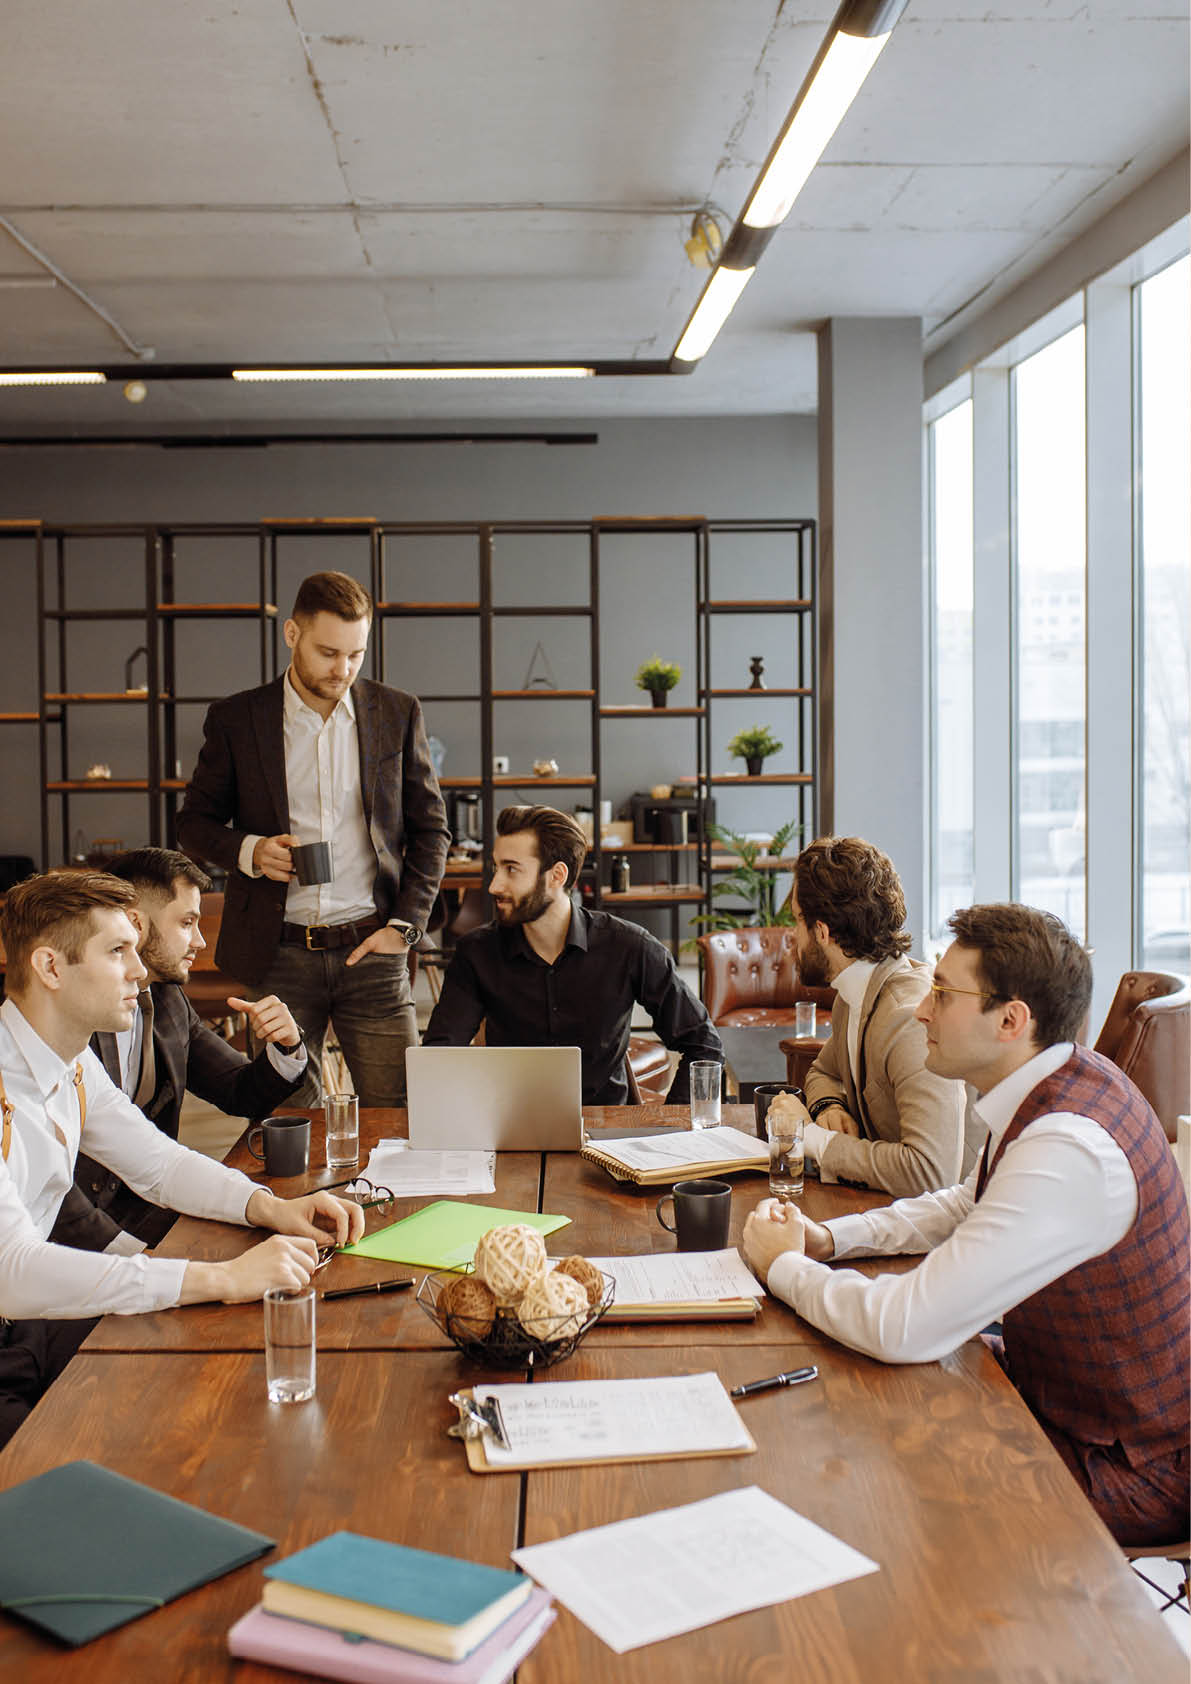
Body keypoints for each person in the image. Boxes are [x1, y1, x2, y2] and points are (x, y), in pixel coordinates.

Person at [743, 903, 1190, 1546]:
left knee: (860, 1470)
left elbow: (904, 1326)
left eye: (943, 993)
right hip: (1062, 1401)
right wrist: (833, 1238)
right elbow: (968, 1202)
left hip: (1126, 1463)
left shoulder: (1066, 1147)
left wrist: (783, 1265)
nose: (923, 1010)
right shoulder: (1058, 1081)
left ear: (1011, 1020)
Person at [0, 870, 364, 1445]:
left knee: (197, 1397)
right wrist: (221, 1277)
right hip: (18, 1318)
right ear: (50, 968)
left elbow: (159, 1164)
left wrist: (272, 1208)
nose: (140, 970)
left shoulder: (69, 1059)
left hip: (28, 1324)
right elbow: (13, 1269)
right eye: (117, 951)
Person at [177, 569, 449, 1106]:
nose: (343, 669)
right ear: (292, 635)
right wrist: (250, 852)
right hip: (276, 955)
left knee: (401, 1120)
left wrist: (407, 927)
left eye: (356, 654)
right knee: (285, 1124)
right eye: (329, 652)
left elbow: (432, 830)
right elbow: (193, 825)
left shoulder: (397, 712)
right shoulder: (236, 720)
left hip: (373, 950)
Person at [67, 847, 308, 1248]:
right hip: (78, 1239)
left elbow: (239, 1091)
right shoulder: (66, 1018)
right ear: (135, 923)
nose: (199, 941)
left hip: (151, 1205)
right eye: (187, 922)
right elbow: (49, 1188)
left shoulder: (166, 1000)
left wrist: (287, 1045)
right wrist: (138, 1259)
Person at [423, 805, 723, 1103]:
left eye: (511, 869)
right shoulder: (476, 953)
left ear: (557, 876)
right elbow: (438, 1060)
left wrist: (670, 1127)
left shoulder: (629, 946)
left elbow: (703, 1044)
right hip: (512, 1130)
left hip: (610, 1133)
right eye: (496, 867)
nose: (494, 885)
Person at [784, 835, 967, 1196]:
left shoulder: (910, 1019)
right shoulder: (853, 994)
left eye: (796, 922)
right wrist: (828, 1106)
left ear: (821, 931)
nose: (792, 936)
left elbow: (932, 1174)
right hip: (884, 1211)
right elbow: (822, 1071)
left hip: (948, 1235)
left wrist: (813, 1139)